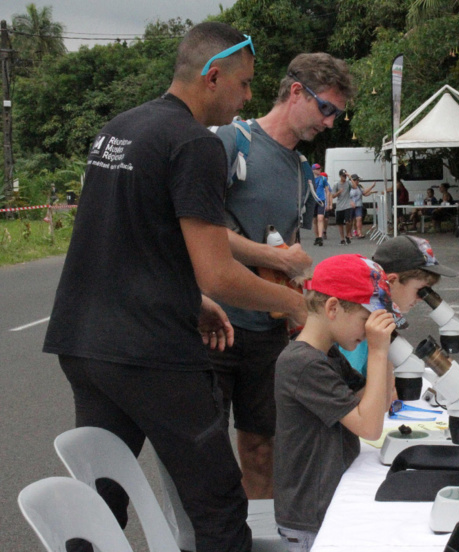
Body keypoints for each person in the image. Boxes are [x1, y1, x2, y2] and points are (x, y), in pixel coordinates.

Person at [42, 23, 306, 552]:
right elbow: (220, 272)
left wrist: (194, 301)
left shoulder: (120, 128)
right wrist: (302, 304)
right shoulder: (195, 144)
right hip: (148, 350)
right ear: (213, 77)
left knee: (101, 497)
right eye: (245, 84)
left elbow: (128, 241)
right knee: (217, 502)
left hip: (83, 341)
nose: (248, 98)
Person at [209, 53, 353, 500]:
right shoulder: (232, 141)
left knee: (262, 445)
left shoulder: (300, 169)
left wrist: (295, 294)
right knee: (204, 452)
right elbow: (198, 231)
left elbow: (285, 246)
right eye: (325, 109)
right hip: (212, 323)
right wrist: (282, 260)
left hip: (266, 328)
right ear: (296, 92)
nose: (329, 123)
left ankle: (264, 537)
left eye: (336, 115)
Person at [273, 254, 398, 551]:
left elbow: (374, 403)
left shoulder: (327, 354)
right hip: (311, 518)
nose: (369, 333)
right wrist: (378, 353)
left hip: (326, 503)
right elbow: (369, 427)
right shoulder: (303, 364)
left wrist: (388, 349)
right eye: (366, 321)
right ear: (333, 307)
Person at [340, 235, 458, 375]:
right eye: (421, 290)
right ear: (392, 281)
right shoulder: (358, 328)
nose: (421, 299)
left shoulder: (379, 317)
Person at [349, 173, 375, 238]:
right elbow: (345, 196)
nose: (358, 182)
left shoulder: (359, 187)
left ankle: (359, 233)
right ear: (353, 180)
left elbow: (364, 193)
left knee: (359, 218)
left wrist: (371, 188)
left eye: (358, 180)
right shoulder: (349, 187)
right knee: (350, 220)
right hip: (350, 206)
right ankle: (349, 233)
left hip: (358, 205)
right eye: (357, 180)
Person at [311, 163, 331, 246]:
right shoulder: (310, 179)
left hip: (321, 201)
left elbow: (327, 191)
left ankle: (320, 237)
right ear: (313, 170)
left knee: (320, 218)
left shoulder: (323, 179)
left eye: (319, 168)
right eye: (317, 169)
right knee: (314, 220)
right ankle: (317, 237)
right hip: (313, 201)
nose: (319, 170)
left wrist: (328, 204)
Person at [332, 168, 352, 245]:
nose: (345, 177)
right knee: (340, 223)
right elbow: (333, 196)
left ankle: (347, 235)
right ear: (340, 176)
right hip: (339, 206)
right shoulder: (337, 185)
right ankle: (342, 238)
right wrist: (338, 192)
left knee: (348, 222)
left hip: (347, 205)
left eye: (345, 176)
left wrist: (350, 177)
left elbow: (354, 186)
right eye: (343, 176)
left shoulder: (348, 183)